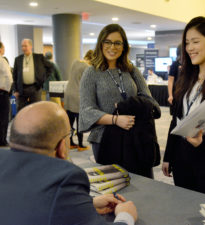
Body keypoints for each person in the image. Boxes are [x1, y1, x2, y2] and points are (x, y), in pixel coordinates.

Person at [0, 101, 137, 225]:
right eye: (69, 133)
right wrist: (126, 216)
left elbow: (25, 199)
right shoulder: (65, 179)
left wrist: (85, 203)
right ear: (61, 146)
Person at [79, 24, 158, 178]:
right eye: (107, 42)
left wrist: (128, 106)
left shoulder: (131, 70)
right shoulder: (91, 72)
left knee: (144, 184)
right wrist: (115, 119)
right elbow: (86, 110)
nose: (112, 47)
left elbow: (150, 101)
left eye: (117, 43)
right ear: (101, 44)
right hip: (106, 139)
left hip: (137, 136)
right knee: (115, 188)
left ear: (124, 46)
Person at [162, 17, 205, 199]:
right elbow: (176, 120)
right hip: (182, 160)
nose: (189, 48)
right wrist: (168, 156)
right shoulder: (186, 78)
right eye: (187, 43)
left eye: (195, 42)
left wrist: (204, 143)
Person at [64, 50, 93, 150]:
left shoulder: (75, 62)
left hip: (68, 93)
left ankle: (71, 143)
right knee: (80, 122)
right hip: (78, 96)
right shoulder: (87, 67)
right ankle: (81, 145)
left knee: (70, 122)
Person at [13, 39, 52, 111]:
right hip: (22, 89)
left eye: (25, 46)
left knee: (36, 110)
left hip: (35, 88)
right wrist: (15, 90)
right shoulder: (18, 59)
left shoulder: (39, 57)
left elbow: (50, 67)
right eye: (22, 46)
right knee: (21, 110)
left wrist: (43, 78)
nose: (23, 48)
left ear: (31, 46)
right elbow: (14, 76)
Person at [0, 42, 13, 146]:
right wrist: (8, 89)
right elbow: (9, 76)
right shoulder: (2, 60)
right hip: (2, 93)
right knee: (4, 117)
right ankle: (2, 140)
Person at [167, 44, 182, 114]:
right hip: (176, 93)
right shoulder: (175, 64)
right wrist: (170, 95)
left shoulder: (192, 64)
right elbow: (170, 81)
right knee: (176, 116)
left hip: (187, 92)